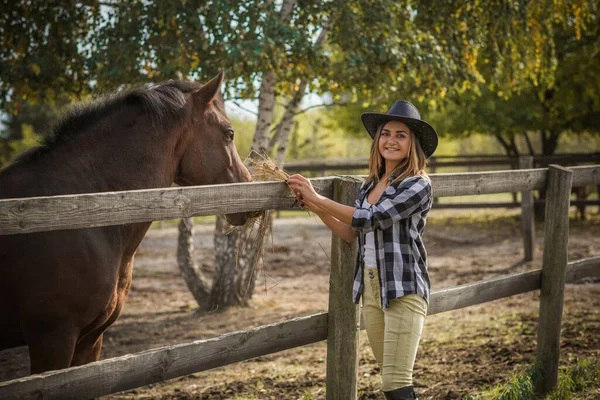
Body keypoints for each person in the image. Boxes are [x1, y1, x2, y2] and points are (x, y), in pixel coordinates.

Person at [286, 100, 438, 400]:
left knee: (396, 384)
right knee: (391, 379)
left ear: (413, 144)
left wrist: (317, 196)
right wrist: (316, 208)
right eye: (385, 133)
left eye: (401, 135)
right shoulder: (369, 185)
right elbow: (352, 232)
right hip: (370, 288)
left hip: (403, 287)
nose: (391, 140)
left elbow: (374, 218)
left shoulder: (418, 184)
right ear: (377, 139)